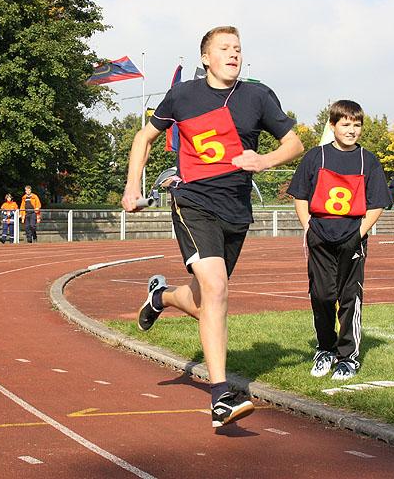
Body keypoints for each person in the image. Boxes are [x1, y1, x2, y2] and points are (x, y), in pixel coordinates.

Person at [122, 25, 304, 428]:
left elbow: (294, 144)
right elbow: (144, 139)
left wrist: (264, 160)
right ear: (206, 57)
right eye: (224, 48)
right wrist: (132, 185)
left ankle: (161, 297)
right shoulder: (184, 95)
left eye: (238, 49)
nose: (233, 54)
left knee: (207, 301)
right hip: (194, 203)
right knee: (219, 289)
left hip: (235, 211)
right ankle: (220, 395)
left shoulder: (258, 95)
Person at [287, 100, 388, 381]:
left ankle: (348, 357)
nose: (351, 130)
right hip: (320, 234)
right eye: (345, 124)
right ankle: (325, 349)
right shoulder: (315, 156)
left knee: (349, 298)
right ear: (332, 126)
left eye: (356, 125)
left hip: (352, 236)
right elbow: (300, 196)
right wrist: (309, 227)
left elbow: (377, 203)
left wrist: (358, 234)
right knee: (321, 295)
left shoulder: (368, 160)